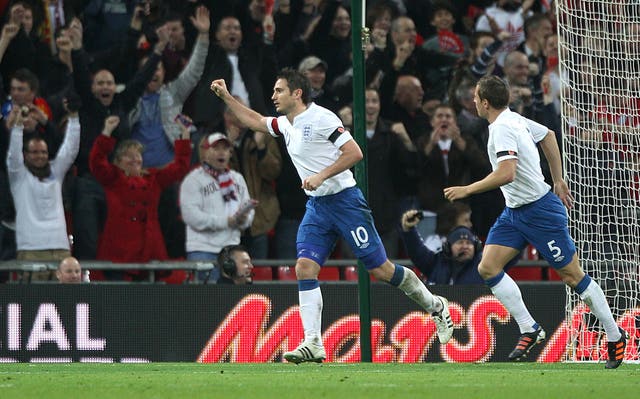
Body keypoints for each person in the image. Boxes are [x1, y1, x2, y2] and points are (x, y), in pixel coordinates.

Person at [211, 68, 454, 364]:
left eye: (279, 91)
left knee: (381, 270)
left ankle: (435, 306)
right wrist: (225, 96)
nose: (273, 96)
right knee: (304, 268)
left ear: (297, 93)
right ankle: (313, 342)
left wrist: (321, 175)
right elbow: (254, 121)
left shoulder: (322, 118)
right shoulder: (287, 123)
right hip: (317, 207)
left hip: (346, 202)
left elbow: (354, 153)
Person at [443, 75, 628, 368]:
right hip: (515, 212)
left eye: (477, 97)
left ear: (486, 102)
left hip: (540, 211)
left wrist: (467, 189)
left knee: (572, 276)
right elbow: (549, 136)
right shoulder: (514, 119)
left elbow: (507, 173)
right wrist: (558, 179)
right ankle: (529, 327)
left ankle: (615, 336)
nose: (474, 101)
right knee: (488, 267)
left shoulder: (502, 128)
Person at [89, 115, 191, 281]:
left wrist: (184, 134)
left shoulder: (153, 178)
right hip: (119, 249)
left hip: (149, 248)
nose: (135, 159)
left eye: (138, 155)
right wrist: (106, 131)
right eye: (129, 155)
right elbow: (96, 162)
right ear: (118, 161)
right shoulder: (112, 177)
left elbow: (180, 167)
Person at [6, 97, 80, 281]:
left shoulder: (56, 171)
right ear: (26, 155)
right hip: (30, 250)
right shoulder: (19, 176)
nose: (40, 156)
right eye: (35, 152)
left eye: (43, 152)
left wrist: (74, 118)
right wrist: (17, 126)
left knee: (64, 304)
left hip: (60, 249)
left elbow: (70, 149)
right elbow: (13, 154)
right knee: (32, 304)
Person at [179, 132, 255, 283]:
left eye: (225, 149)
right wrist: (226, 221)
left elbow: (248, 209)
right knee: (206, 303)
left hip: (232, 249)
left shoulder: (237, 179)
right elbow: (191, 216)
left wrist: (244, 220)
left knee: (233, 301)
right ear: (205, 152)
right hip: (203, 250)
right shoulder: (194, 180)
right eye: (216, 148)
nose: (222, 152)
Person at [401, 210, 484, 285]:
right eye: (460, 242)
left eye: (469, 243)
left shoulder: (483, 267)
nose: (465, 246)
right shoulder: (435, 263)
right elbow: (417, 252)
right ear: (447, 247)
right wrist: (409, 229)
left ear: (476, 247)